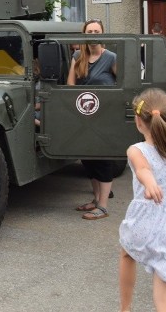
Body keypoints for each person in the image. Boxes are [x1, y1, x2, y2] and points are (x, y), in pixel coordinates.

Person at [119, 88, 166, 312]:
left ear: (139, 122)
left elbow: (143, 169)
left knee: (126, 253)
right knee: (164, 297)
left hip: (142, 222)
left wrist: (150, 182)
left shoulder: (136, 150)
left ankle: (125, 308)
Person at [68, 19, 118, 220]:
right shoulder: (78, 56)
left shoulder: (111, 57)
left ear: (103, 34)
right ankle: (96, 200)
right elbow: (71, 83)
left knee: (103, 158)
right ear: (85, 34)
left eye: (97, 30)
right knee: (88, 157)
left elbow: (122, 83)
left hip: (104, 116)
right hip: (83, 115)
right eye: (90, 31)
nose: (94, 34)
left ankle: (104, 206)